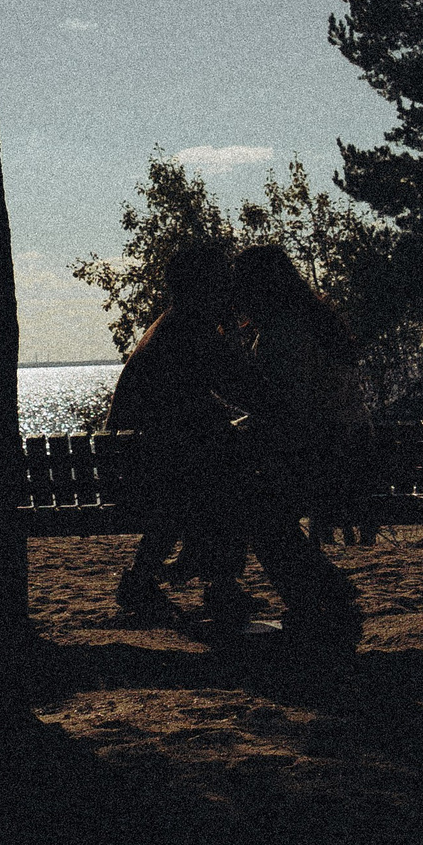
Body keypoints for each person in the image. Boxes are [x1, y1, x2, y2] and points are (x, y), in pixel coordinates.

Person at [106, 240, 255, 624]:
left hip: (139, 464)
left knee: (208, 475)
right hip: (154, 469)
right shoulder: (192, 330)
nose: (229, 287)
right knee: (227, 481)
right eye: (223, 279)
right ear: (208, 284)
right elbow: (240, 386)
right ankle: (220, 584)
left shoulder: (171, 325)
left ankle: (174, 578)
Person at [232, 242, 377, 545]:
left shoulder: (282, 333)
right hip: (355, 448)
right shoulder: (319, 320)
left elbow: (287, 406)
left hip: (320, 456)